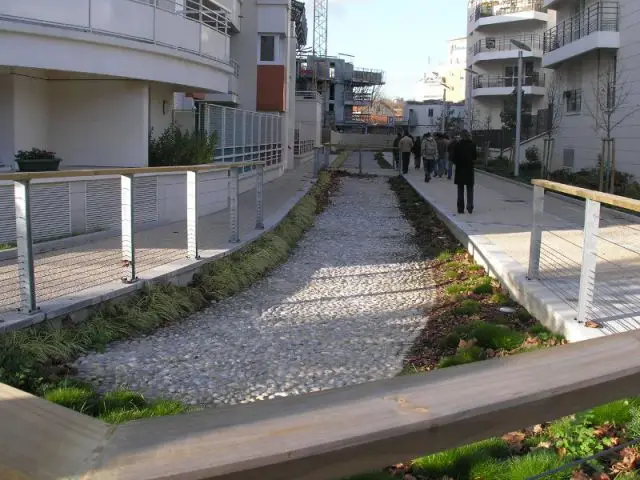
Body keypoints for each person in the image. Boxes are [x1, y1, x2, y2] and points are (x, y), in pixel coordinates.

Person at [451, 130, 477, 214]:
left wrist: (458, 163)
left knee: (460, 188)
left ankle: (460, 208)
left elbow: (453, 158)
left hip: (460, 169)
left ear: (461, 136)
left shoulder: (457, 145)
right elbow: (475, 157)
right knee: (470, 188)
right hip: (469, 169)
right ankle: (470, 206)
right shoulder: (473, 144)